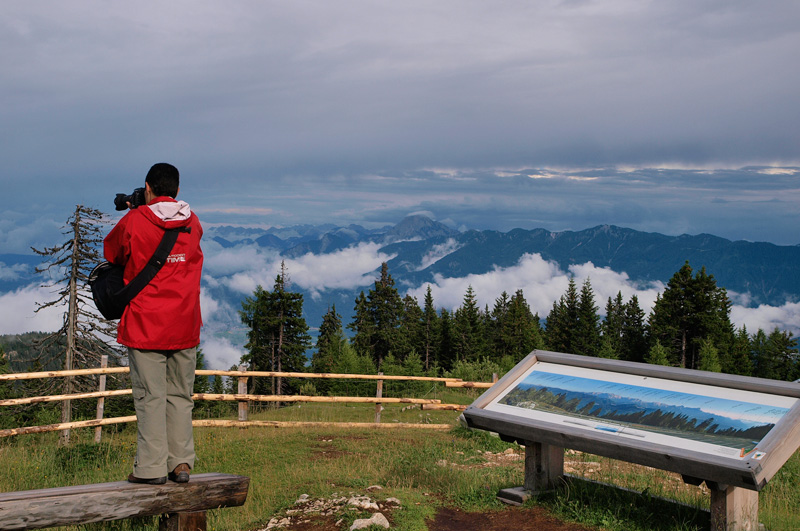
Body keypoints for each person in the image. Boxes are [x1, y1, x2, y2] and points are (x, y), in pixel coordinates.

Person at [104, 162, 204, 485]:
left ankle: (149, 469)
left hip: (146, 326)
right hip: (185, 324)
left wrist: (136, 210)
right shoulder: (193, 223)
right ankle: (181, 465)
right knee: (180, 396)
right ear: (177, 190)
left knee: (151, 397)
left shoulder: (135, 220)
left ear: (148, 188)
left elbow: (112, 251)